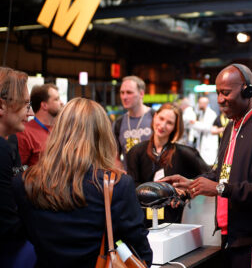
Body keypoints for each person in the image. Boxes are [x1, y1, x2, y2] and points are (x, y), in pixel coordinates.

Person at [12, 98, 152, 268]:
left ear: (58, 132)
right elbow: (141, 253)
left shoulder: (24, 182)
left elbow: (21, 236)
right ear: (103, 136)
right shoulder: (116, 185)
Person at [162, 64, 252, 268]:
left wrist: (219, 188)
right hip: (229, 238)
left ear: (248, 90)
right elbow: (223, 175)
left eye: (225, 93)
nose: (220, 99)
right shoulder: (231, 126)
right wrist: (192, 184)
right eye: (218, 93)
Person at [126, 103, 210, 223]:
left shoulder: (185, 153)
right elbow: (132, 185)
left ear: (175, 127)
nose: (163, 125)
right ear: (155, 116)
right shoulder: (136, 152)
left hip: (174, 220)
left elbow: (209, 176)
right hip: (142, 220)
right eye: (161, 118)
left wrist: (187, 192)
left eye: (169, 123)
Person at [0, 67, 35, 268]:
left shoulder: (10, 142)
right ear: (2, 106)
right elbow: (7, 222)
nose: (29, 113)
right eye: (25, 105)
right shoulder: (2, 148)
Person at [16, 83, 63, 166]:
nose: (61, 103)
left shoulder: (62, 130)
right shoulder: (25, 132)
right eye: (56, 99)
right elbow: (18, 169)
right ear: (44, 105)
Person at [113, 76, 155, 169]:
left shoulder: (155, 117)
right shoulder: (118, 123)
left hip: (153, 179)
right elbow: (115, 157)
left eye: (129, 92)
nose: (124, 97)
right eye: (122, 93)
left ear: (141, 94)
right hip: (130, 178)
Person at [190, 96, 218, 165]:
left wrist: (195, 123)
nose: (199, 105)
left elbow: (208, 127)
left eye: (200, 103)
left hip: (209, 144)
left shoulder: (211, 114)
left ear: (204, 104)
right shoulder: (201, 113)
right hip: (201, 144)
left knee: (209, 165)